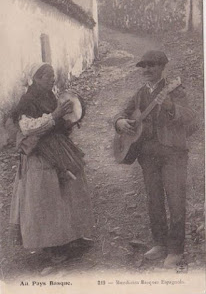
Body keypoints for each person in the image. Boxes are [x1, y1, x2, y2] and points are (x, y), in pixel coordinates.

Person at [114, 50, 197, 268]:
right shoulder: (140, 93)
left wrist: (171, 108)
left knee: (176, 201)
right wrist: (120, 122)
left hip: (173, 154)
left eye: (152, 65)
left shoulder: (175, 89)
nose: (147, 70)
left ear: (162, 67)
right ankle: (160, 243)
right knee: (154, 201)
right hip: (147, 155)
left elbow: (192, 118)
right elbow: (121, 113)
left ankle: (176, 250)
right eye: (144, 66)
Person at [9, 63, 94, 263]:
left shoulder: (50, 96)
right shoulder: (27, 100)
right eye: (48, 76)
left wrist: (70, 120)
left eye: (53, 75)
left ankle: (73, 236)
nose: (52, 79)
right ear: (36, 78)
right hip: (40, 153)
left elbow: (58, 121)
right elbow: (28, 128)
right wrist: (55, 116)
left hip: (58, 147)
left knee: (70, 189)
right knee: (47, 198)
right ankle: (53, 246)